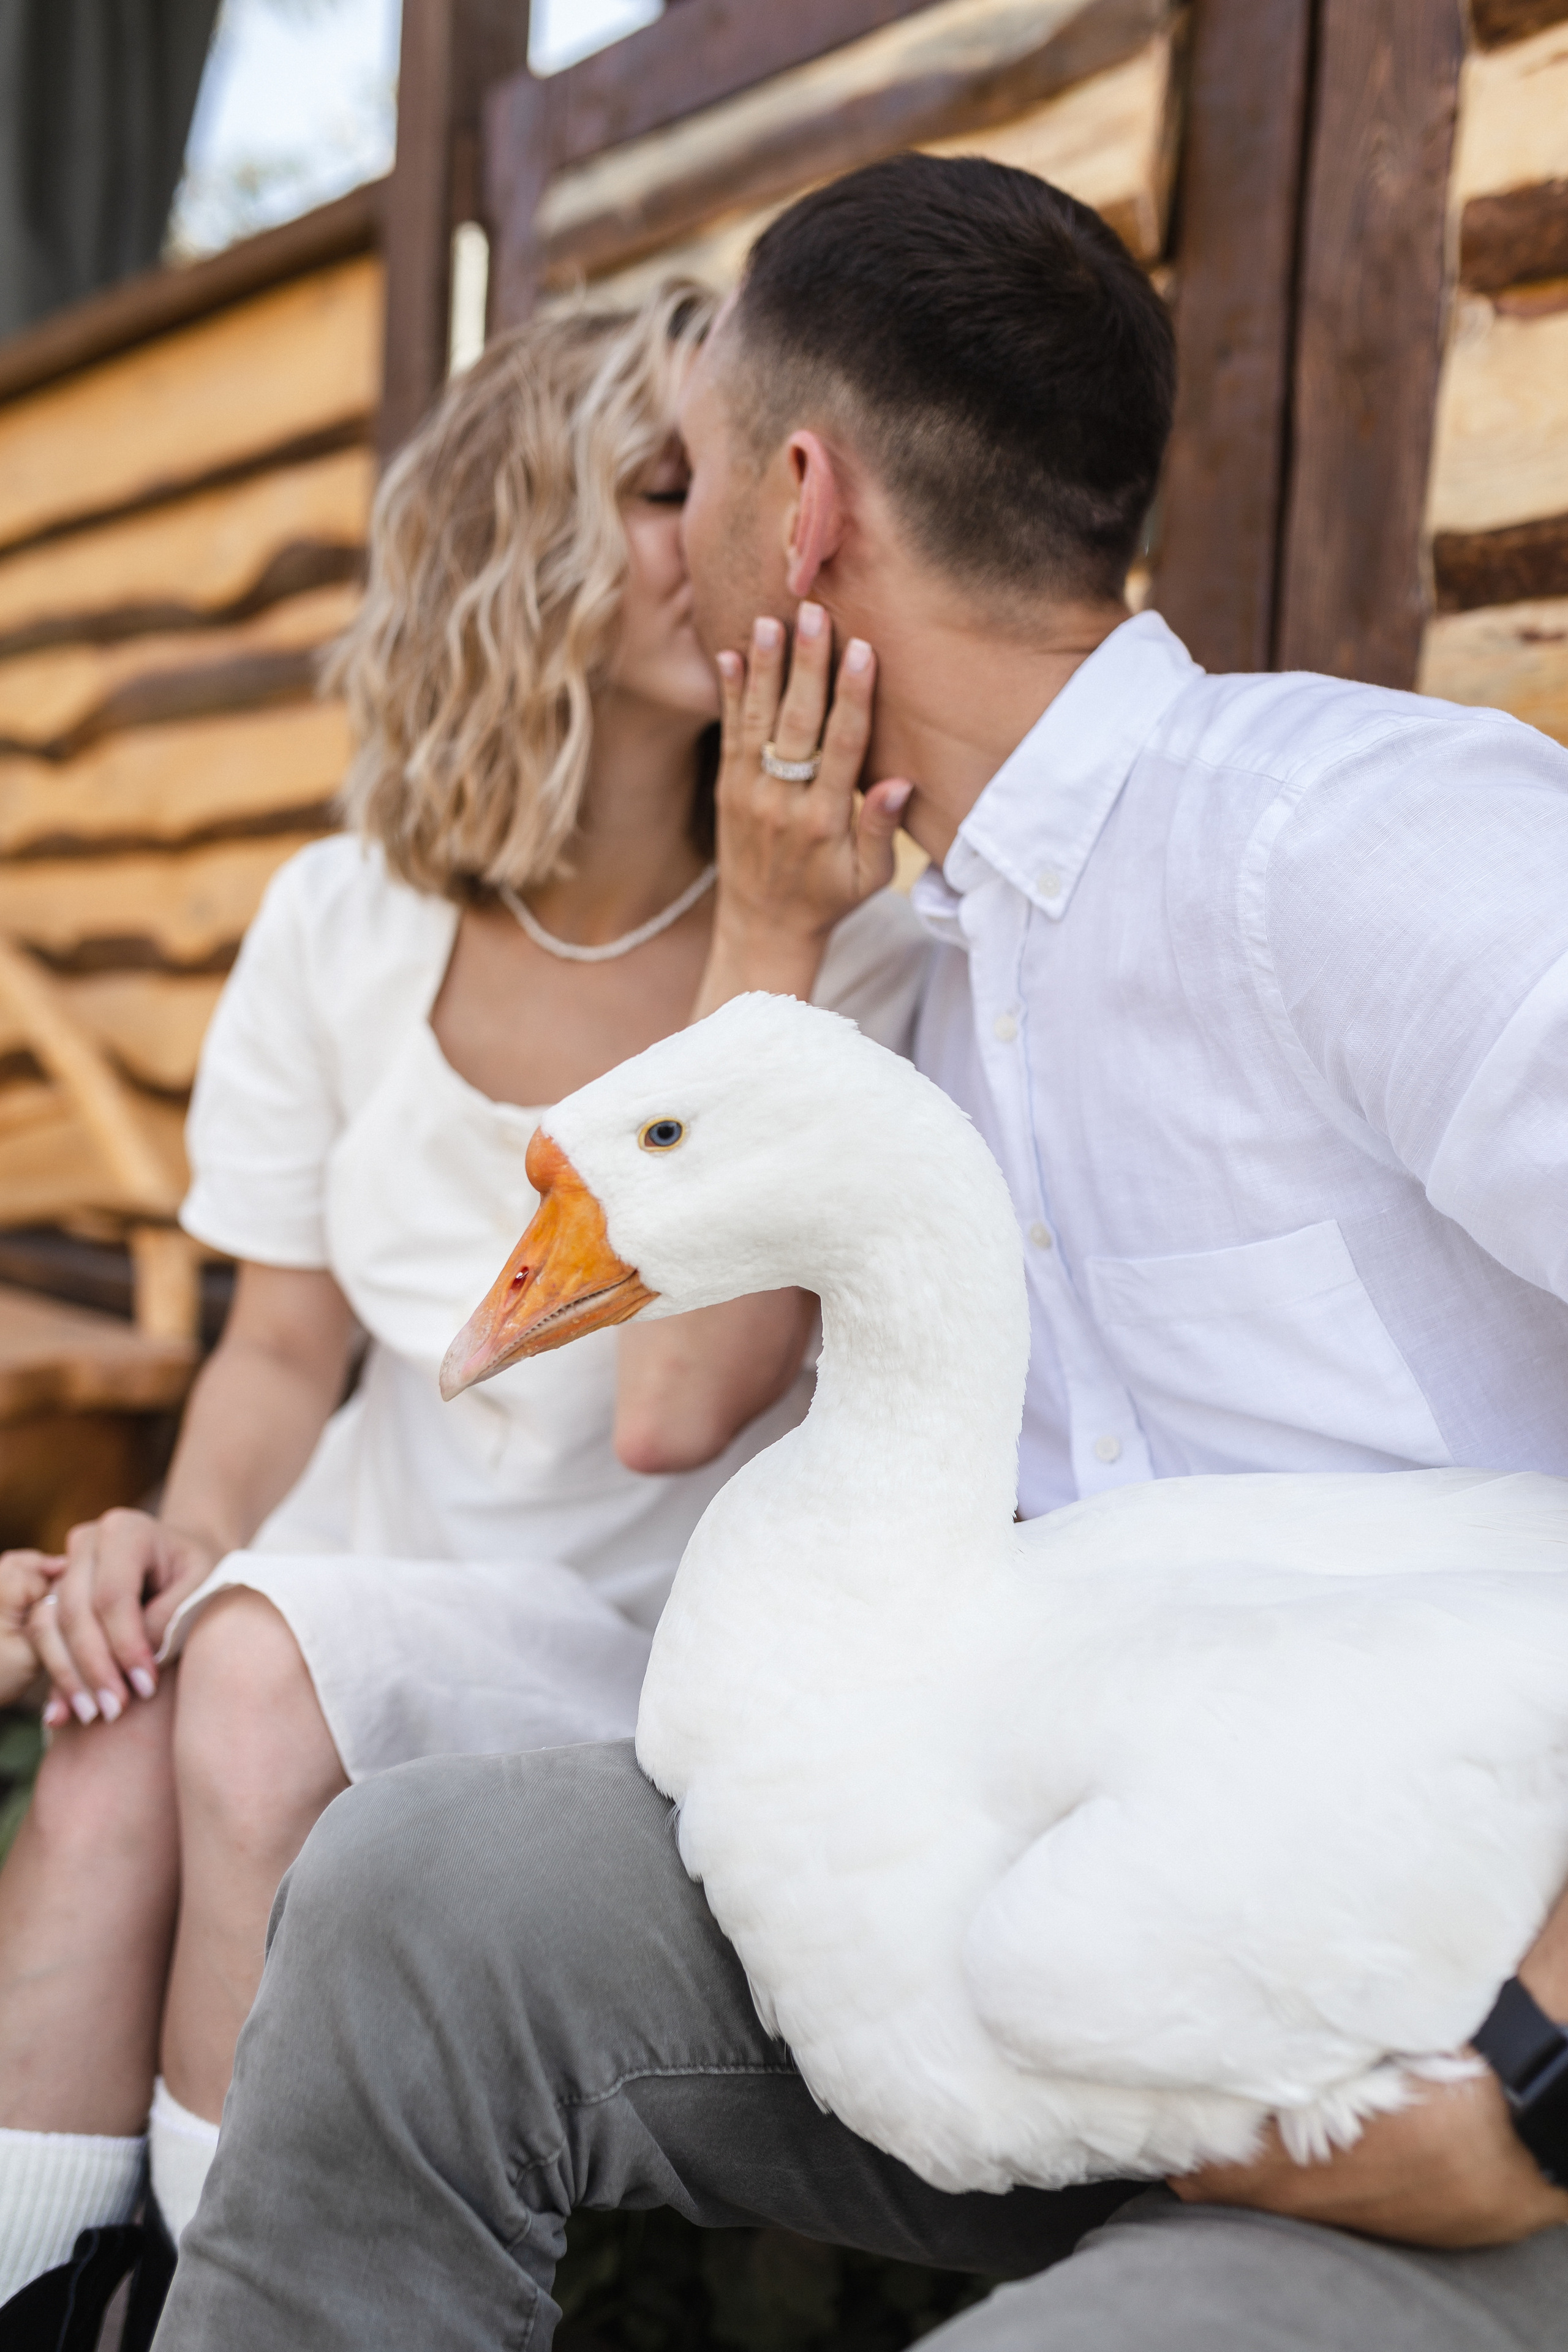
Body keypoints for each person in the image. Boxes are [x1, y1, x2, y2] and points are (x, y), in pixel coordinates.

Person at [153, 155, 1568, 2352]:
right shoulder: (909, 951)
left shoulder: (1358, 847)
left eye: (683, 474)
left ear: (796, 513)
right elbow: (662, 1413)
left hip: (1418, 2079)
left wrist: (1540, 2072)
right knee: (428, 1901)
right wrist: (779, 931)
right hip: (986, 1945)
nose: (669, 534)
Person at [0, 282, 927, 2323]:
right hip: (347, 1590)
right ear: (526, 538)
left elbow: (684, 1407)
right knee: (116, 1710)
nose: (740, 542)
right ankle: (54, 2302)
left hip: (642, 1650)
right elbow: (277, 1350)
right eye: (665, 485)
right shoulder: (342, 920)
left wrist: (770, 928)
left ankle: (235, 2298)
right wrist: (181, 1542)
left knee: (243, 1686)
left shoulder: (839, 936)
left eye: (750, 488)